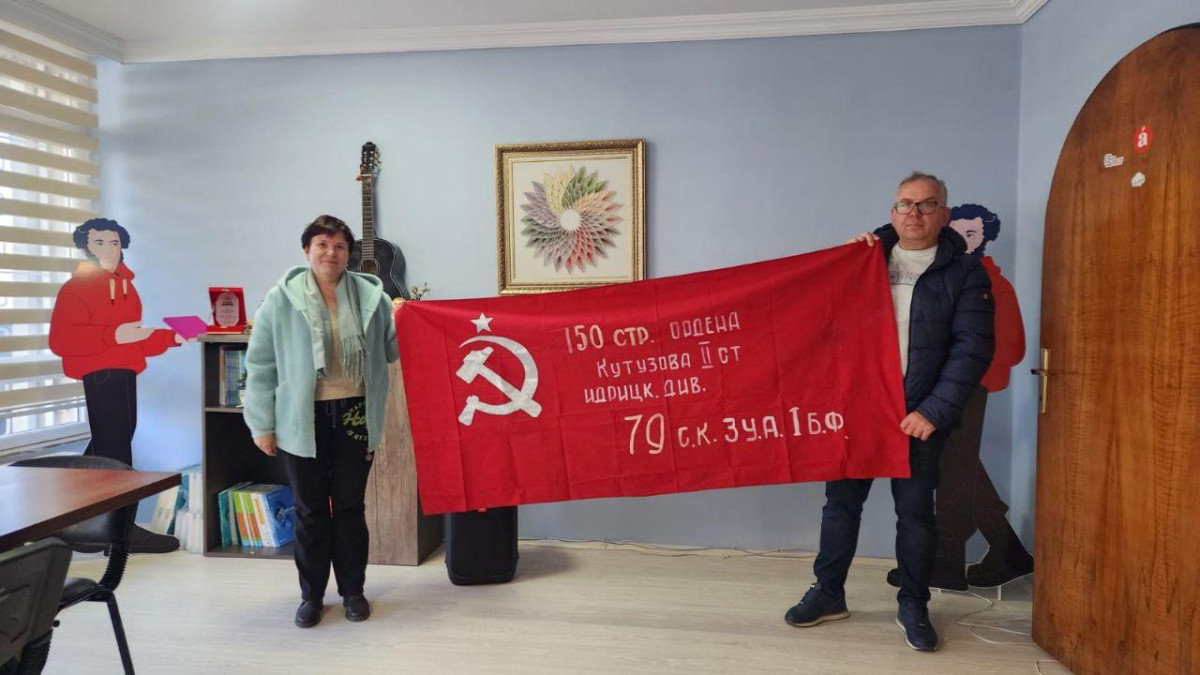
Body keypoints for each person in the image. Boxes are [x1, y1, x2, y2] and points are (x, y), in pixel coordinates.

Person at [784, 173, 995, 652]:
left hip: (918, 414)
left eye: (927, 204)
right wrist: (838, 265)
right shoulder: (863, 259)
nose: (914, 213)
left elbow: (972, 350)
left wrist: (934, 411)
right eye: (905, 204)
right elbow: (820, 322)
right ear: (892, 212)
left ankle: (913, 603)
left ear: (945, 213)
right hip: (858, 409)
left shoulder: (966, 273)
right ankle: (828, 592)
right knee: (840, 507)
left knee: (916, 514)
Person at [243, 214, 399, 628]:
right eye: (322, 245)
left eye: (340, 246)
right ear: (307, 251)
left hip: (355, 414)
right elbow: (260, 365)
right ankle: (311, 596)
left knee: (349, 507)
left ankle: (353, 592)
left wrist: (415, 319)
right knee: (310, 510)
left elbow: (393, 349)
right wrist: (262, 425)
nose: (331, 253)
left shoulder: (373, 297)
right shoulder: (280, 299)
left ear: (349, 253)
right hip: (300, 417)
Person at [49, 217, 186, 554]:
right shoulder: (76, 288)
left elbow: (132, 338)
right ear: (85, 248)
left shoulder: (125, 286)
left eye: (114, 243)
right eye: (99, 243)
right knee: (115, 452)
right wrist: (112, 335)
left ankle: (70, 523)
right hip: (101, 372)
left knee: (105, 450)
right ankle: (118, 534)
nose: (109, 249)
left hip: (124, 370)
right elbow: (62, 340)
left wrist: (172, 337)